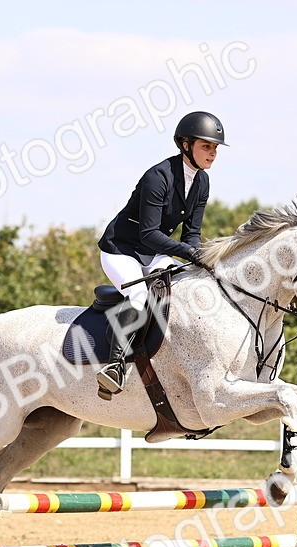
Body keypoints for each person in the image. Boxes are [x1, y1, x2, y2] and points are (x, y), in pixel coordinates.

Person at [95, 111, 226, 397]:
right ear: (185, 144)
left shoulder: (201, 182)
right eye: (206, 146)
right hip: (122, 250)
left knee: (182, 290)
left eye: (215, 148)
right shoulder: (158, 176)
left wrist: (202, 260)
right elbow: (149, 234)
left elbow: (190, 235)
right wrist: (191, 254)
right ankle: (114, 366)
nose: (212, 153)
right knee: (140, 297)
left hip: (153, 253)